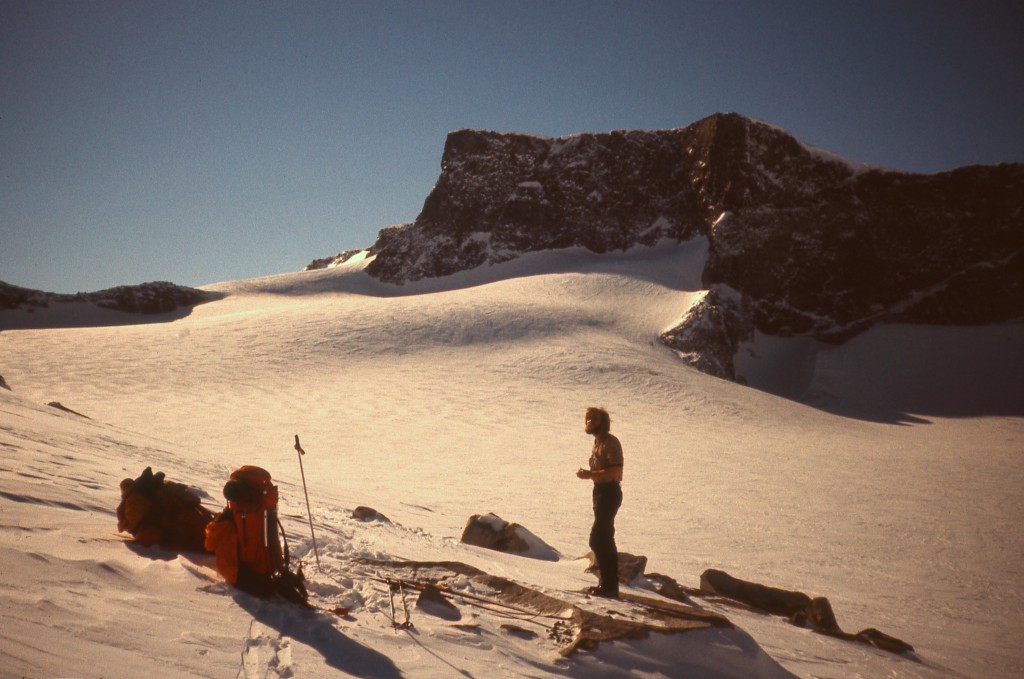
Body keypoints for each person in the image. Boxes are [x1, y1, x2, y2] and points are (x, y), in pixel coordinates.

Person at [576, 406, 623, 598]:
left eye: (593, 419)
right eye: (587, 418)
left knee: (598, 538)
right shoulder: (597, 442)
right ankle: (608, 585)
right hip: (600, 492)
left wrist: (590, 475)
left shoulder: (610, 443)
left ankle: (609, 585)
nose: (589, 422)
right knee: (605, 538)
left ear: (603, 421)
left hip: (609, 493)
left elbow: (615, 470)